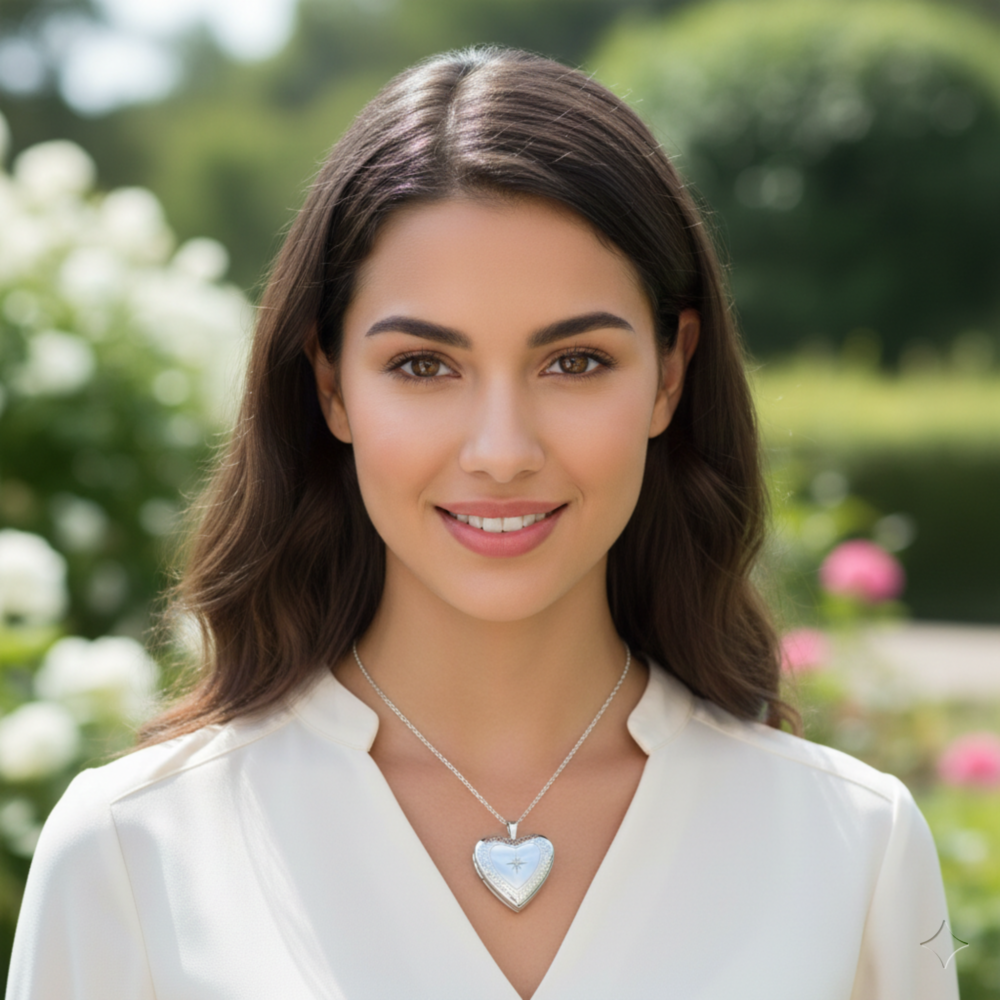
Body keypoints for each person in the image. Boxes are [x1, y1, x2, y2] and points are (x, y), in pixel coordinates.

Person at [7, 47, 958, 1000]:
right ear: (331, 385)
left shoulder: (853, 848)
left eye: (575, 362)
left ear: (671, 373)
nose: (501, 450)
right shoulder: (134, 854)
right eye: (424, 365)